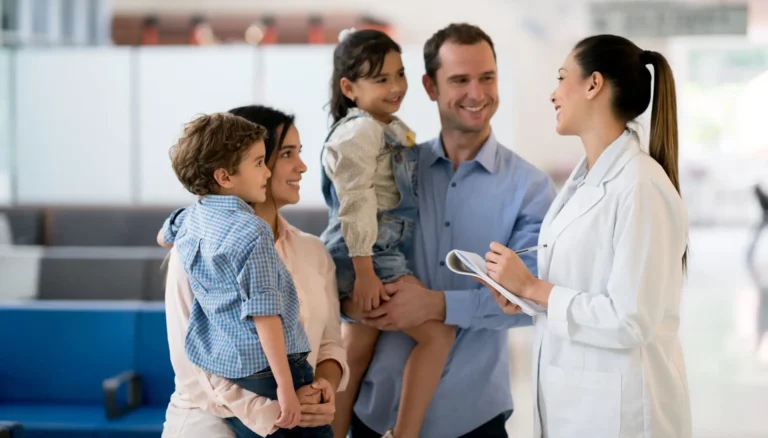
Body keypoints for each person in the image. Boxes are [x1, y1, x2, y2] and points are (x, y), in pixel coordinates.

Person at [343, 23, 556, 438]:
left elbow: (531, 302)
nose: (477, 94)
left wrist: (437, 305)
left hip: (474, 417)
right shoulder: (390, 170)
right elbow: (349, 261)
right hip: (375, 415)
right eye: (460, 80)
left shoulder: (530, 189)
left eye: (487, 78)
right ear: (429, 86)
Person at [483, 35, 692, 437]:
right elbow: (581, 284)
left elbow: (632, 319)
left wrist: (533, 286)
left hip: (623, 413)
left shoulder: (640, 186)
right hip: (578, 405)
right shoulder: (585, 180)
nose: (552, 94)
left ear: (594, 84)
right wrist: (527, 298)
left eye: (563, 78)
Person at [160, 107, 348, 438]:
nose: (302, 166)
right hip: (211, 421)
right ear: (228, 173)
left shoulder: (314, 251)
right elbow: (196, 363)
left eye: (300, 153)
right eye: (286, 153)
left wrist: (321, 390)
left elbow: (332, 344)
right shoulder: (194, 246)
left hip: (293, 408)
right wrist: (275, 409)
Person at [319, 28, 454, 438]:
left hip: (369, 256)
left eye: (400, 74)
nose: (396, 87)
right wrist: (365, 274)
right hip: (370, 257)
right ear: (349, 87)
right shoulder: (360, 130)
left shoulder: (387, 126)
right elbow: (355, 203)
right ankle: (405, 433)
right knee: (439, 335)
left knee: (355, 353)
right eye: (381, 79)